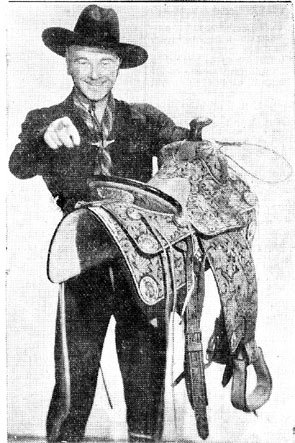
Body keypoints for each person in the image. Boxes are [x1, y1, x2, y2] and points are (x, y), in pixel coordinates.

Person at [9, 5, 190, 443]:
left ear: (120, 67)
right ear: (68, 62)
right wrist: (44, 136)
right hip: (83, 261)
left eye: (107, 62)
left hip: (144, 266)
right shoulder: (45, 119)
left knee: (147, 380)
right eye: (85, 60)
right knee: (74, 382)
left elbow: (184, 144)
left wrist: (197, 139)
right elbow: (19, 164)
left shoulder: (144, 119)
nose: (95, 73)